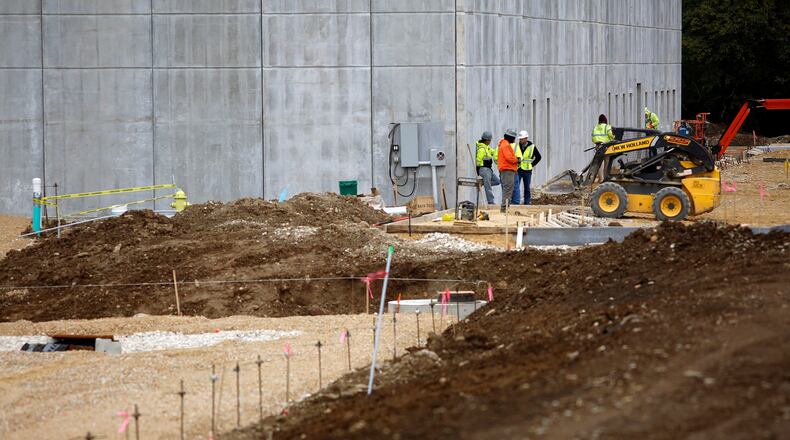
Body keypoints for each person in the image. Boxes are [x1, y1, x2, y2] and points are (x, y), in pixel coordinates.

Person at [514, 130, 542, 205]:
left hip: (527, 170)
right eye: (520, 139)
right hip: (518, 169)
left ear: (526, 138)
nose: (520, 140)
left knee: (527, 188)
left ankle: (527, 203)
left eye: (522, 139)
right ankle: (516, 202)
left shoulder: (532, 147)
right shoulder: (517, 146)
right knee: (516, 187)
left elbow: (539, 157)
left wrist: (532, 165)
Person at [475, 131, 500, 205]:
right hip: (484, 169)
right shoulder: (482, 149)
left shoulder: (487, 147)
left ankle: (483, 182)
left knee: (497, 181)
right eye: (490, 140)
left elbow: (493, 152)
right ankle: (491, 202)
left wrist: (499, 148)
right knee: (488, 187)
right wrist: (478, 170)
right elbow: (478, 160)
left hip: (489, 169)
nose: (490, 141)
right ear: (486, 140)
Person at [497, 129, 518, 212]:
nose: (514, 140)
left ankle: (504, 208)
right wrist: (517, 160)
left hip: (506, 170)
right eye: (514, 138)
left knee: (507, 189)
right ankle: (504, 209)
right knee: (508, 189)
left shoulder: (504, 144)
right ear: (510, 137)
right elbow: (509, 158)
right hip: (507, 170)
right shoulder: (505, 145)